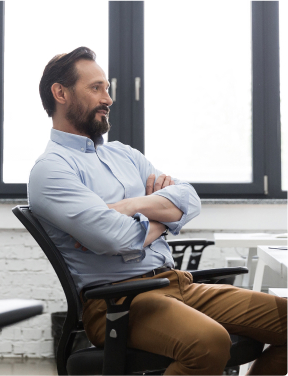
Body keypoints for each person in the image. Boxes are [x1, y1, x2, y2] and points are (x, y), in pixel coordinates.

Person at [28, 47, 287, 375]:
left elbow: (189, 199)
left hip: (175, 283)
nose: (107, 98)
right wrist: (165, 217)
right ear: (60, 92)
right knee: (208, 342)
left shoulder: (125, 155)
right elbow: (116, 238)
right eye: (96, 88)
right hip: (119, 304)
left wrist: (130, 206)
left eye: (107, 88)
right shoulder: (51, 170)